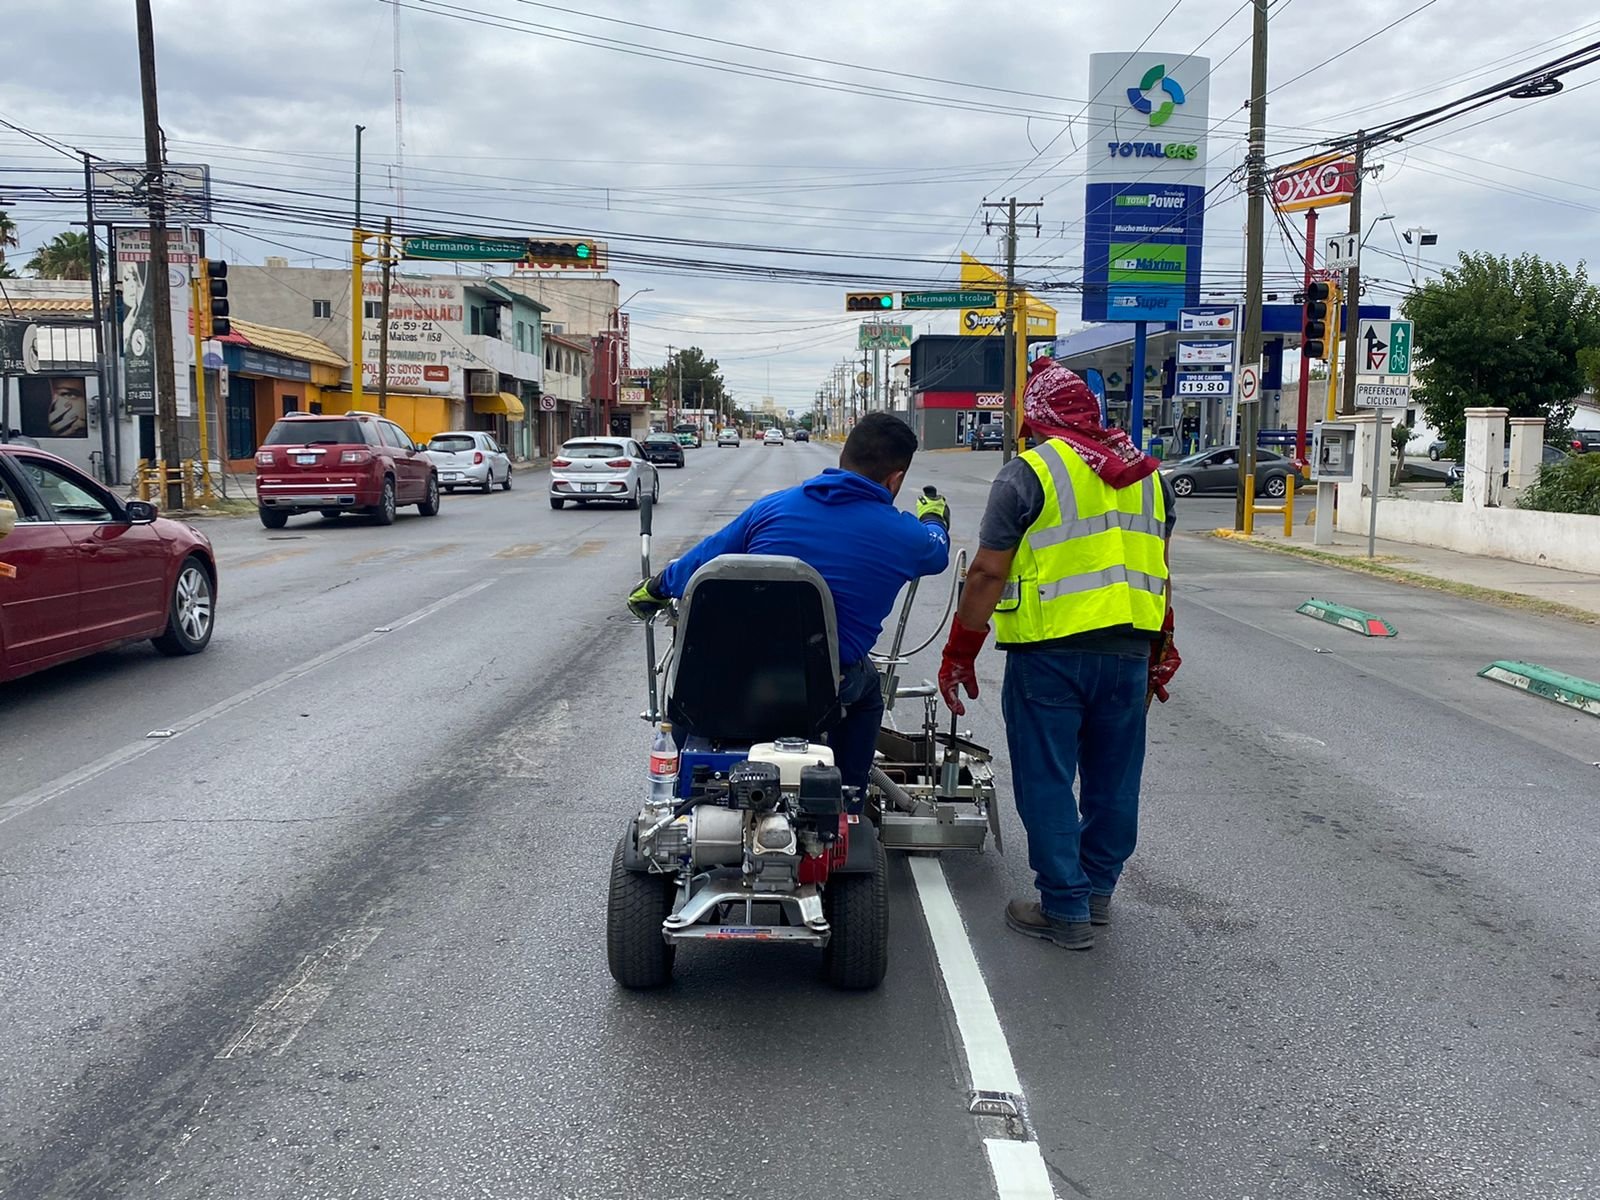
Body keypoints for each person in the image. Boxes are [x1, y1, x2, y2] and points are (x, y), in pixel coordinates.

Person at [938, 357, 1181, 952]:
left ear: (1038, 418)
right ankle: (1097, 893)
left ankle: (1065, 908)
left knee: (1046, 779)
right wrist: (1160, 647)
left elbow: (987, 571)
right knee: (1114, 781)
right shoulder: (1149, 478)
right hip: (1128, 653)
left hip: (1050, 654)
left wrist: (960, 652)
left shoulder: (1028, 474)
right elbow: (1158, 569)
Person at [628, 412, 951, 791]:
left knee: (687, 693)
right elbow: (938, 551)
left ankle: (675, 792)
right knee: (868, 697)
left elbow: (702, 560)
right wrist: (933, 518)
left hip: (735, 670)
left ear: (842, 458)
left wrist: (657, 587)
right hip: (822, 685)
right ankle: (846, 797)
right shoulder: (906, 535)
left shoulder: (772, 508)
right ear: (895, 479)